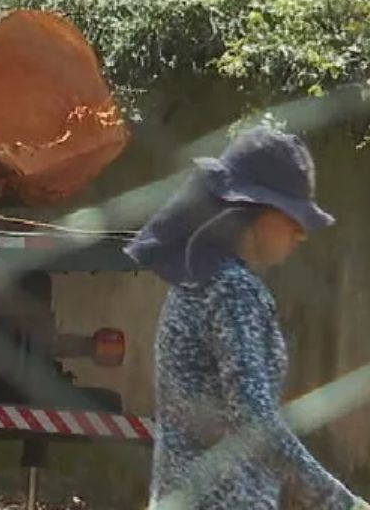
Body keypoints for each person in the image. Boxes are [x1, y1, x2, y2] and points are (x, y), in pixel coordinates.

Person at [126, 126, 368, 509]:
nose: (301, 233)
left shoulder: (194, 280)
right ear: (251, 208)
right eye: (292, 216)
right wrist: (337, 500)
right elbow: (255, 421)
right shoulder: (234, 289)